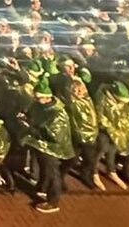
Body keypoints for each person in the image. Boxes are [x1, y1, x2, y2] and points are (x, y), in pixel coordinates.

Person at [20, 81, 74, 214]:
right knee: (45, 170)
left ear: (47, 97)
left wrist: (30, 127)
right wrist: (25, 116)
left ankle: (52, 202)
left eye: (38, 98)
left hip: (52, 148)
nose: (36, 100)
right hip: (41, 146)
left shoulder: (57, 113)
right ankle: (42, 189)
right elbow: (33, 114)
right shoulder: (39, 105)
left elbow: (54, 135)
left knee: (53, 174)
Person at [63, 76, 105, 190]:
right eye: (75, 90)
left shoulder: (88, 100)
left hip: (90, 135)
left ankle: (85, 175)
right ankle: (60, 177)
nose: (78, 92)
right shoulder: (71, 103)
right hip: (78, 136)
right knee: (71, 160)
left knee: (90, 160)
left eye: (80, 89)